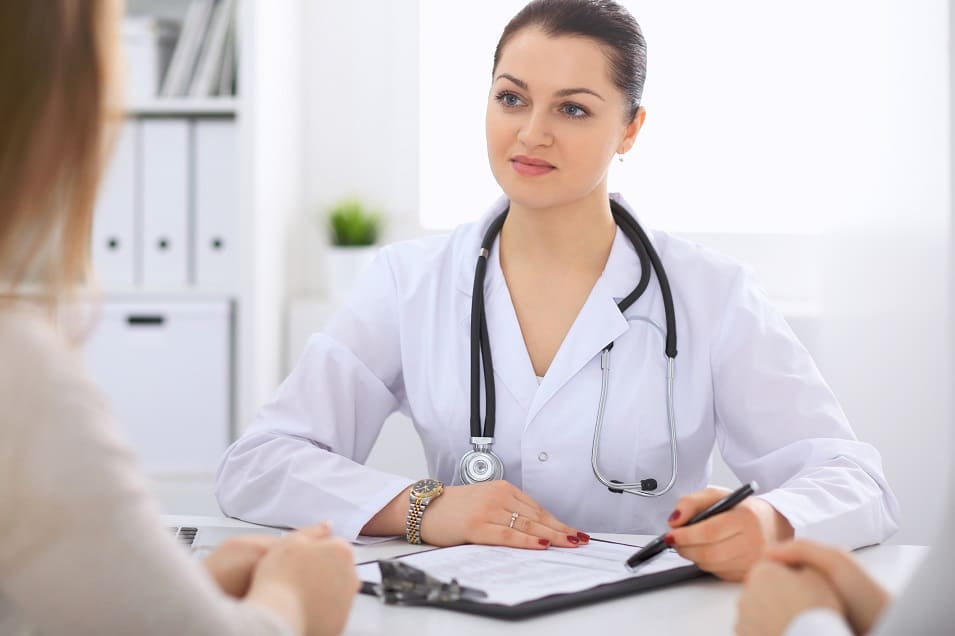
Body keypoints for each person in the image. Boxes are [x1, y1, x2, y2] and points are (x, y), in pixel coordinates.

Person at [216, 0, 899, 581]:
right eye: (511, 98)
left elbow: (853, 480)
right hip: (461, 614)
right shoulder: (409, 282)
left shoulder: (710, 293)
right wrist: (423, 507)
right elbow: (260, 464)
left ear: (629, 128)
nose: (530, 133)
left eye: (572, 109)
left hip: (646, 614)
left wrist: (766, 518)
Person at [0, 2, 358, 635]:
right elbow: (257, 464)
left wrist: (184, 594)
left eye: (572, 107)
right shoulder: (19, 371)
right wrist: (294, 597)